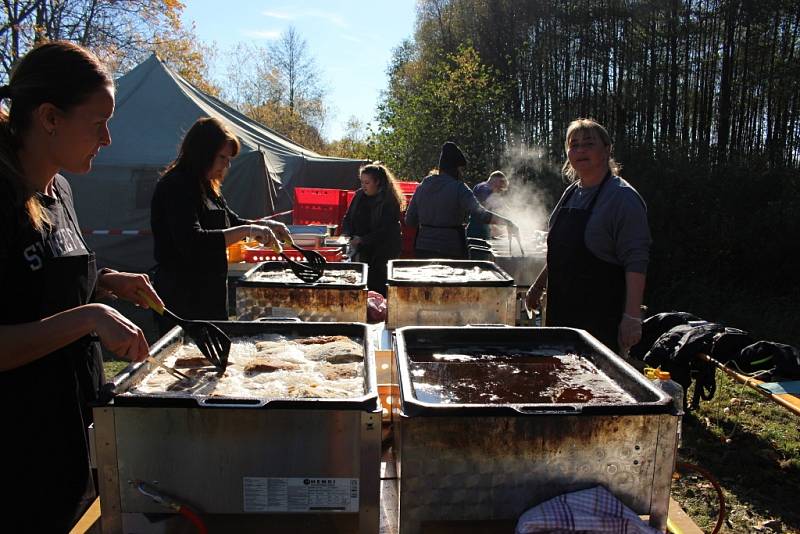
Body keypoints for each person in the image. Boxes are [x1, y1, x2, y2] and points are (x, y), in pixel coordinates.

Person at [0, 41, 164, 532]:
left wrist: (106, 281)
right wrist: (89, 317)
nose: (108, 139)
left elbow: (48, 279)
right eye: (98, 123)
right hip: (17, 450)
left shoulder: (60, 188)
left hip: (72, 426)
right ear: (49, 118)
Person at [525, 118, 651, 353]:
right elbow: (562, 250)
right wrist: (538, 285)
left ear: (606, 149)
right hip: (561, 312)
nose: (580, 150)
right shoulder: (571, 192)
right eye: (574, 145)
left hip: (599, 317)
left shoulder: (623, 198)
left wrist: (632, 317)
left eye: (589, 144)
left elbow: (636, 261)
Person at [150, 117, 288, 330]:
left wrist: (268, 226)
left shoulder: (207, 187)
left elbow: (231, 221)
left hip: (210, 293)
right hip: (182, 297)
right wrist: (248, 230)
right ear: (202, 153)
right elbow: (193, 241)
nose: (226, 164)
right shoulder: (175, 186)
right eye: (222, 157)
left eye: (229, 159)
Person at [405, 141, 518, 259]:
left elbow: (409, 220)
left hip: (423, 249)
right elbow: (481, 215)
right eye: (460, 170)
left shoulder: (422, 186)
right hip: (450, 249)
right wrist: (507, 222)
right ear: (455, 169)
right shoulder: (459, 187)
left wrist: (430, 225)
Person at [341, 162, 404, 295]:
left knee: (378, 286)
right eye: (362, 182)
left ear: (377, 182)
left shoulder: (389, 200)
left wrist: (363, 240)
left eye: (367, 182)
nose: (363, 186)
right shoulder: (358, 196)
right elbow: (347, 218)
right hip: (362, 249)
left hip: (383, 251)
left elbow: (386, 230)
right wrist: (348, 233)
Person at [466, 170, 509, 239]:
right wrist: (507, 223)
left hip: (479, 230)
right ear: (496, 181)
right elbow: (483, 213)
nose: (499, 190)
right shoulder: (484, 189)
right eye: (500, 187)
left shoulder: (481, 186)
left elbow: (498, 208)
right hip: (478, 232)